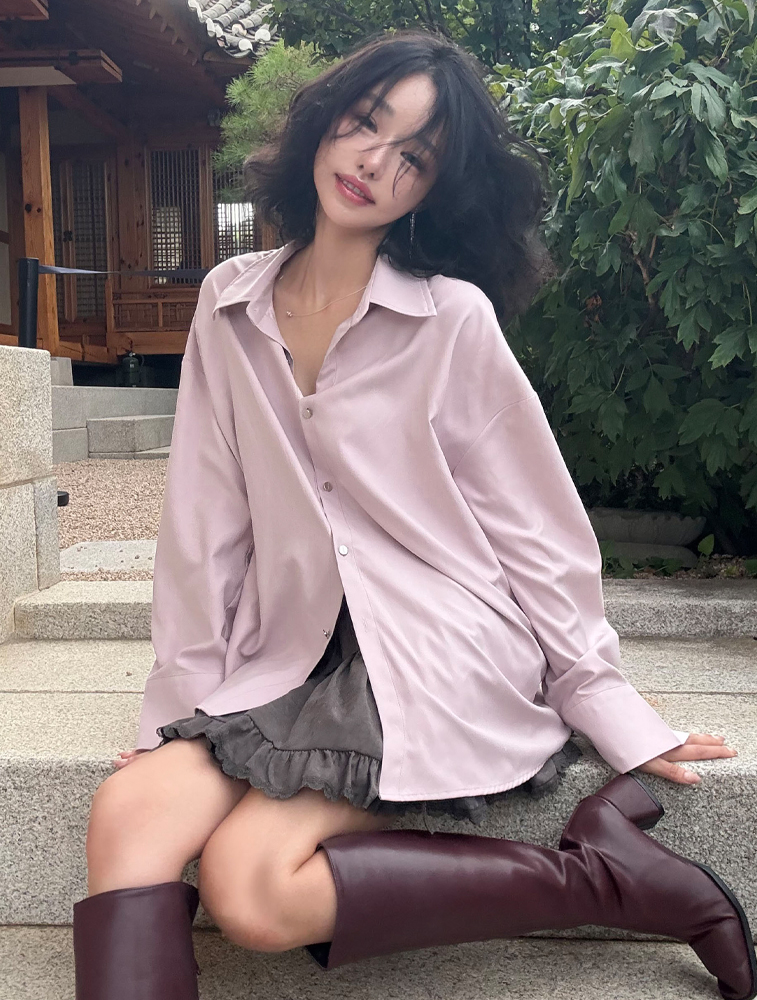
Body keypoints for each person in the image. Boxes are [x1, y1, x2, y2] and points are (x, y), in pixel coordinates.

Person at [71, 27, 755, 1000]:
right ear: (323, 122)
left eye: (414, 156)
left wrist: (600, 698)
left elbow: (534, 526)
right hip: (290, 648)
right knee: (128, 814)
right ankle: (605, 868)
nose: (373, 161)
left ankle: (604, 880)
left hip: (439, 642)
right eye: (364, 122)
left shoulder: (450, 319)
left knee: (250, 891)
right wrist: (177, 707)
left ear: (435, 190)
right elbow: (206, 523)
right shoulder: (228, 303)